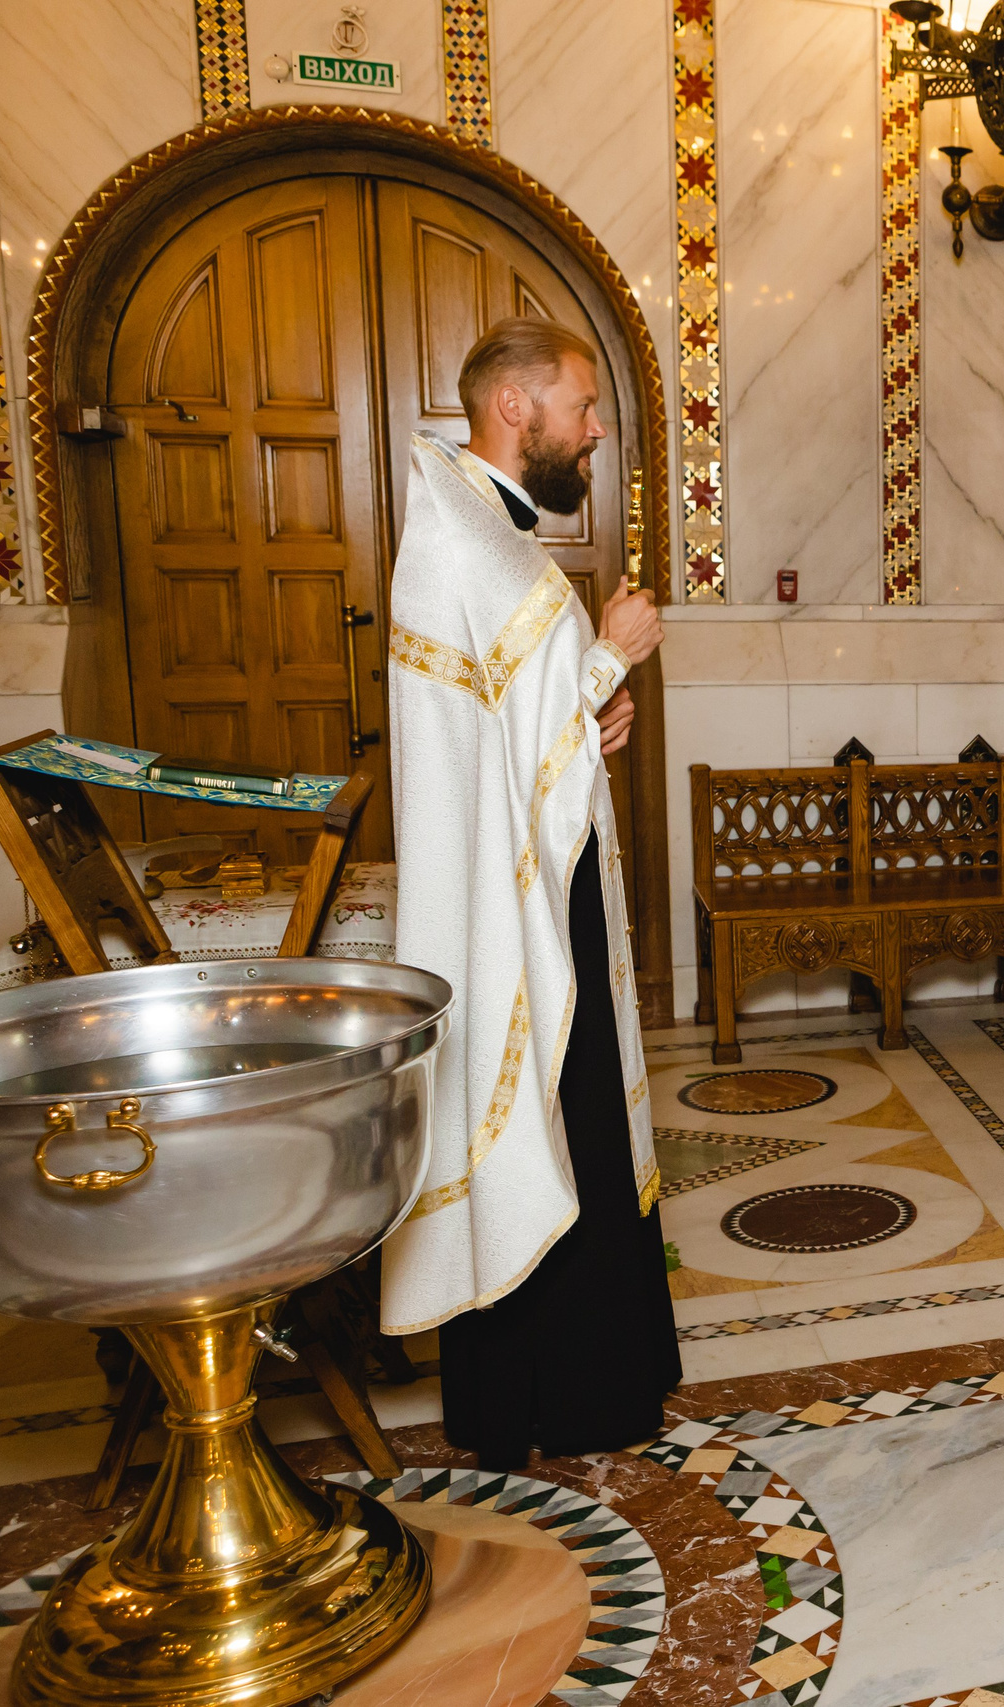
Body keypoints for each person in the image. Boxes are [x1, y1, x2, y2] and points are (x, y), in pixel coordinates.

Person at [381, 318, 678, 1471]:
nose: (596, 429)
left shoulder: (481, 530)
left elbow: (520, 736)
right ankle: (556, 1396)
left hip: (549, 883)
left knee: (586, 1119)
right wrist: (611, 656)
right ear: (516, 406)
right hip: (519, 909)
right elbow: (503, 739)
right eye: (583, 405)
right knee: (555, 1111)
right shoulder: (464, 539)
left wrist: (586, 714)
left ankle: (586, 1386)